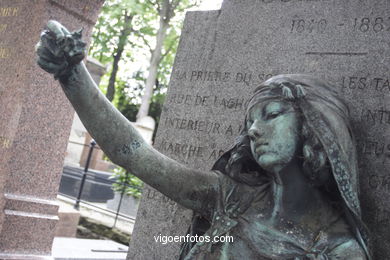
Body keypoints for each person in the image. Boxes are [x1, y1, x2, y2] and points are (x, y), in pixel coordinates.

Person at [36, 21, 371, 260]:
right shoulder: (231, 196)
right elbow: (135, 153)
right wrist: (71, 75)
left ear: (311, 128)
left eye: (271, 114)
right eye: (250, 122)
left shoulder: (339, 250)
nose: (253, 130)